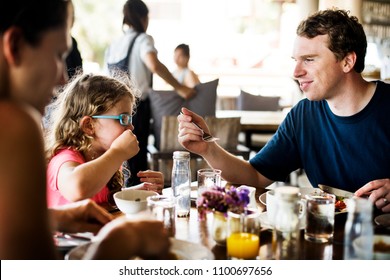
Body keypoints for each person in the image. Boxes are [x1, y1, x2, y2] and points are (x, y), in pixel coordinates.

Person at [0, 0, 169, 259]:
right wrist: (118, 242)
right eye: (58, 55)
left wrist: (53, 218)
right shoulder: (16, 126)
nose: (62, 80)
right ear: (15, 45)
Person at [177, 9, 390, 214]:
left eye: (309, 59)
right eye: (295, 61)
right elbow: (256, 175)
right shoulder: (304, 115)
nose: (296, 72)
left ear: (347, 61)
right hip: (324, 238)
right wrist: (208, 149)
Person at [104, 0, 196, 186]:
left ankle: (117, 199)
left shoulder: (114, 43)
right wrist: (180, 88)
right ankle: (137, 199)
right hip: (136, 108)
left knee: (116, 158)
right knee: (136, 157)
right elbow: (153, 64)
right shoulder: (143, 39)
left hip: (110, 113)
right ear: (143, 18)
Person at [45, 72, 164, 208]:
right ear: (89, 125)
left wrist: (138, 192)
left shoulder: (102, 157)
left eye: (130, 118)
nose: (131, 126)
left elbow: (101, 199)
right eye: (123, 118)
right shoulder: (64, 158)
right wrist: (117, 152)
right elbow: (78, 188)